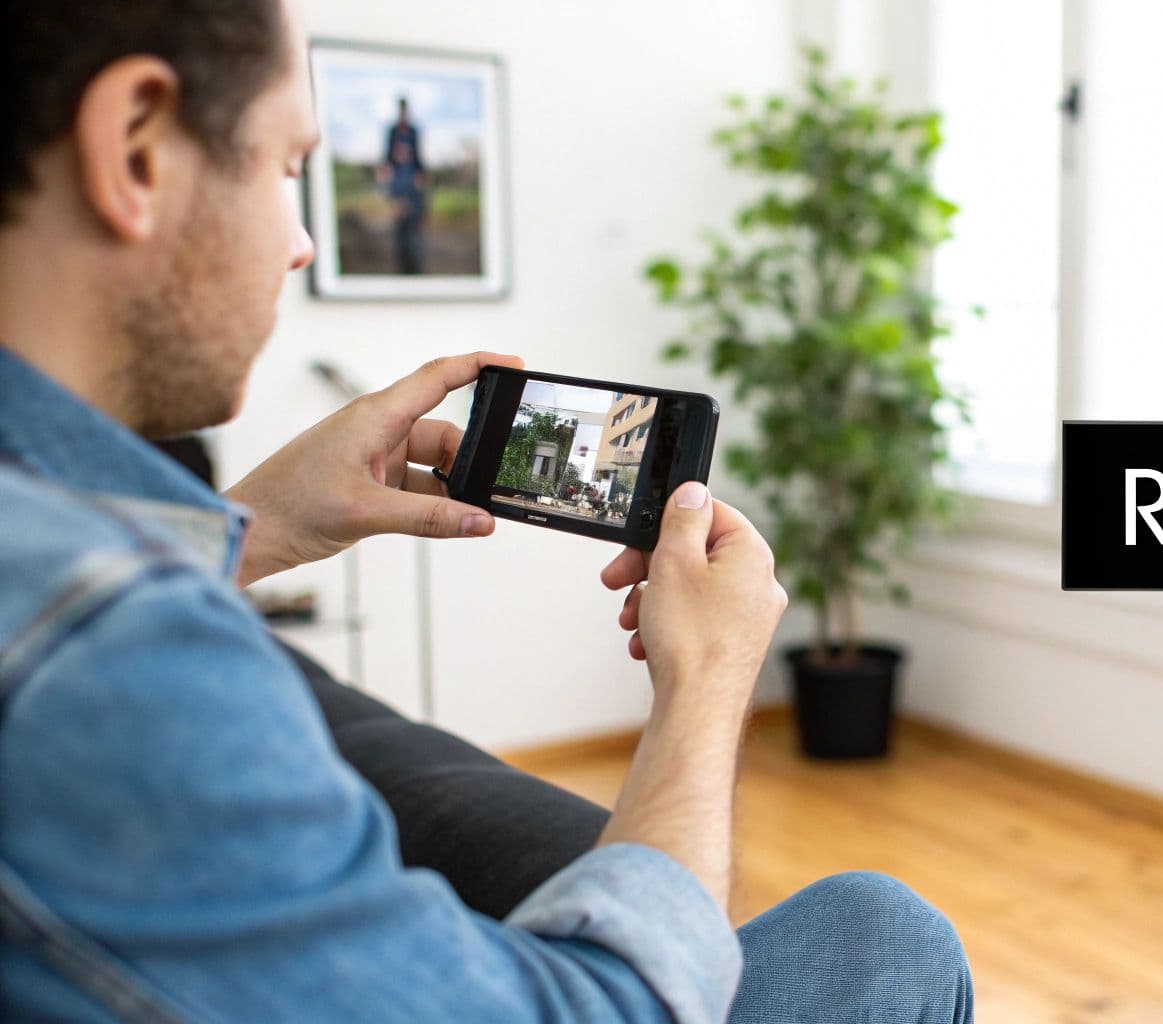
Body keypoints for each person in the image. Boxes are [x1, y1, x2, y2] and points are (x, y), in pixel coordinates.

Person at [0, 2, 973, 1022]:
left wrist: (256, 526)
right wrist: (709, 679)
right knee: (883, 931)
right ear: (136, 149)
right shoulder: (112, 655)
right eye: (291, 168)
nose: (299, 244)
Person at [376, 96, 428, 274]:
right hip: (398, 178)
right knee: (399, 222)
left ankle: (414, 264)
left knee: (412, 223)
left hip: (411, 177)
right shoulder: (392, 131)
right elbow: (388, 154)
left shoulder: (413, 131)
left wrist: (420, 173)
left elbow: (418, 154)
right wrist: (387, 170)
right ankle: (402, 262)